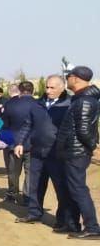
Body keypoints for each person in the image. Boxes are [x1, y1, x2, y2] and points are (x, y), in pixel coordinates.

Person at [52, 66, 100, 239]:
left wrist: (94, 148)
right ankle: (72, 224)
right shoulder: (80, 99)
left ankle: (92, 227)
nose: (67, 79)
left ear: (77, 78)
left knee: (78, 189)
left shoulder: (85, 101)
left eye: (69, 76)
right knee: (70, 188)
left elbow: (84, 130)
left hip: (77, 152)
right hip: (72, 150)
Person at [6, 81, 59, 223]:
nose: (48, 90)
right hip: (34, 144)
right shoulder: (38, 104)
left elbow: (5, 124)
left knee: (14, 171)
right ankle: (28, 198)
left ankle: (12, 193)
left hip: (15, 143)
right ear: (33, 90)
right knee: (31, 174)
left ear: (20, 90)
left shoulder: (10, 104)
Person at [39, 75, 75, 232]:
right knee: (37, 186)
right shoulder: (39, 103)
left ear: (62, 87)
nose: (48, 90)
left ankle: (63, 221)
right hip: (39, 152)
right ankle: (34, 212)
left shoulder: (69, 104)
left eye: (52, 88)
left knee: (62, 190)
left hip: (59, 154)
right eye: (47, 87)